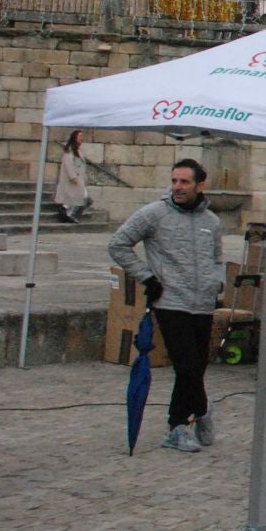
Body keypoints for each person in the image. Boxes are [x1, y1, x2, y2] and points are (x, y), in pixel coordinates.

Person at [108, 159, 224, 453]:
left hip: (203, 303)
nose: (177, 187)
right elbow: (118, 244)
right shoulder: (154, 214)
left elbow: (217, 258)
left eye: (184, 182)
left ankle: (180, 424)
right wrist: (147, 277)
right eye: (174, 181)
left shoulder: (212, 221)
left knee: (197, 366)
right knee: (186, 365)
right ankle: (196, 415)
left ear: (200, 185)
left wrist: (217, 283)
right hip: (171, 300)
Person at [54, 130, 91, 223]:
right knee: (81, 197)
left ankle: (67, 213)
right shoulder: (70, 150)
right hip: (72, 180)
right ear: (75, 137)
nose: (82, 138)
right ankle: (67, 213)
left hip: (78, 179)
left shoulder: (78, 150)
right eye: (80, 136)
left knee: (82, 198)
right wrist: (73, 177)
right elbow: (68, 164)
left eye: (82, 136)